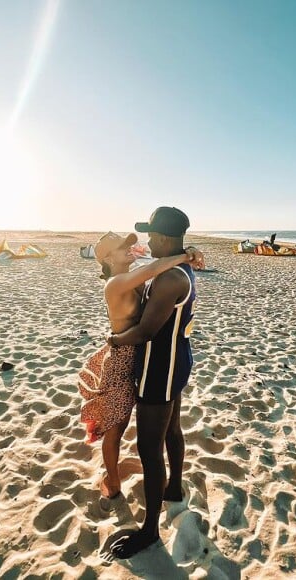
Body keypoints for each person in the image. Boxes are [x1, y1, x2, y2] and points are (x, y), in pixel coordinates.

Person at [78, 230, 203, 500]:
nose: (128, 249)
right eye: (122, 247)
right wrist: (186, 255)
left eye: (128, 245)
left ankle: (162, 484)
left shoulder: (133, 278)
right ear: (107, 259)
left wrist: (189, 249)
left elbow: (158, 260)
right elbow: (158, 266)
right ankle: (112, 482)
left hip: (140, 357)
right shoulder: (115, 283)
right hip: (122, 361)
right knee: (116, 427)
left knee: (163, 426)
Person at [108, 207, 197, 558]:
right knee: (172, 430)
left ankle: (149, 531)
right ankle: (173, 488)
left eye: (150, 235)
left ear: (163, 238)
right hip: (177, 361)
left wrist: (113, 341)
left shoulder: (169, 279)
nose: (147, 241)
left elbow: (145, 331)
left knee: (149, 448)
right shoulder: (180, 269)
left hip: (159, 368)